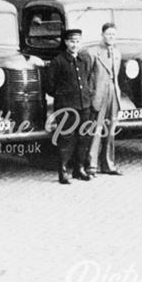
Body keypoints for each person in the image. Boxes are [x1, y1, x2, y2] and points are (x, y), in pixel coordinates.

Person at [45, 28, 96, 184]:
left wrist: (86, 95)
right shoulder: (58, 61)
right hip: (66, 106)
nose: (75, 45)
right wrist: (64, 96)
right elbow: (49, 86)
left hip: (84, 105)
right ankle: (63, 171)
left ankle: (79, 169)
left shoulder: (84, 59)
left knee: (84, 137)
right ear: (66, 42)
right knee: (67, 138)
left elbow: (87, 78)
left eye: (77, 41)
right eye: (72, 42)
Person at [87, 22, 123, 176]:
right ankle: (91, 165)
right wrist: (91, 95)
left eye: (113, 34)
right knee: (96, 130)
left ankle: (108, 164)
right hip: (98, 95)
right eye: (108, 34)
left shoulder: (117, 53)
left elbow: (116, 76)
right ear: (102, 35)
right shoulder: (93, 53)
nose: (111, 37)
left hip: (113, 93)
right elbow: (88, 77)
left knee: (110, 131)